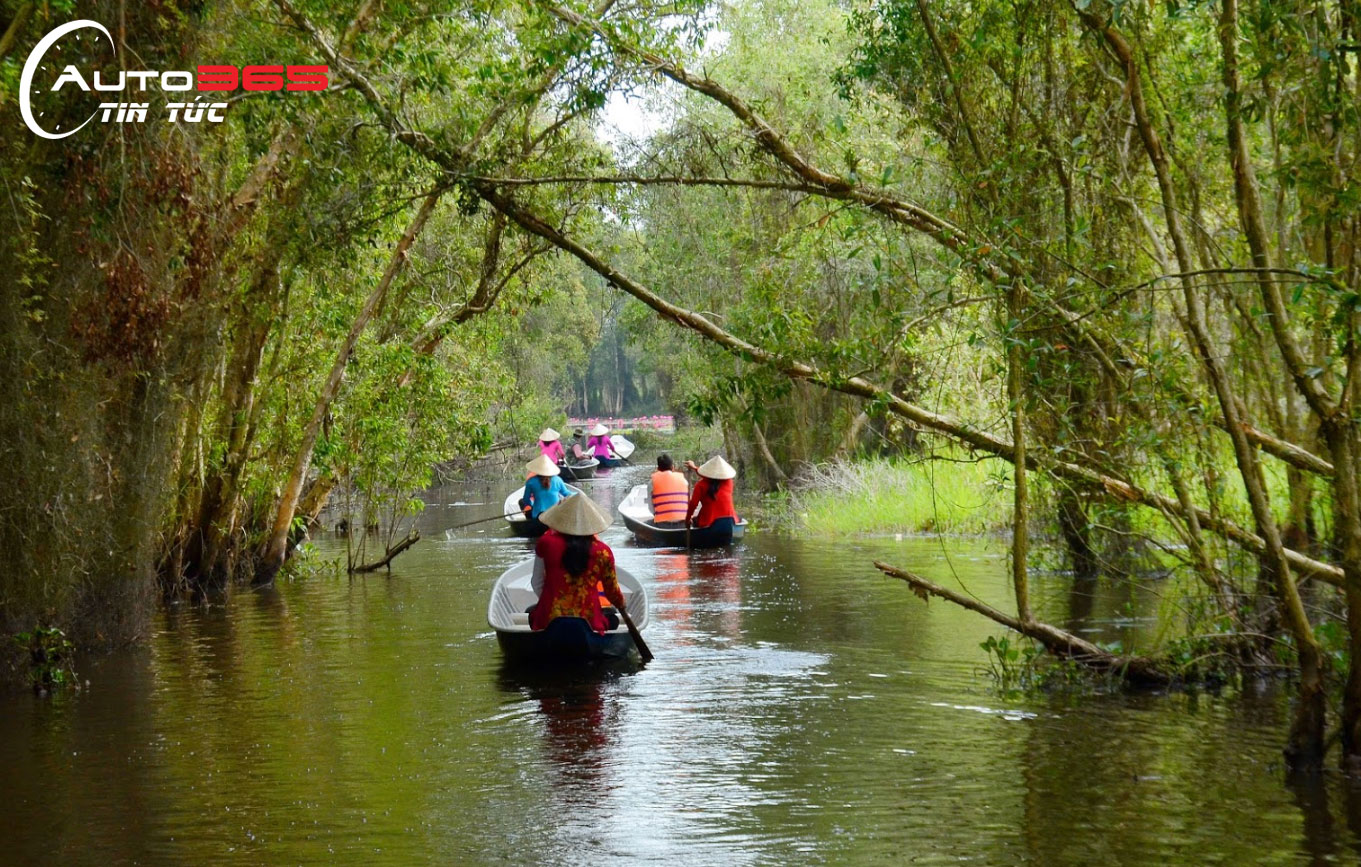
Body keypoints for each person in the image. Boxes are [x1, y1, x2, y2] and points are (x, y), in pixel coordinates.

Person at [529, 494, 625, 634]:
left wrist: (546, 601)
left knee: (532, 615)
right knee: (612, 619)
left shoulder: (546, 543)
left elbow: (536, 582)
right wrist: (621, 604)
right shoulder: (603, 551)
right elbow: (612, 592)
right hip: (590, 620)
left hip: (550, 618)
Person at [685, 456, 739, 533]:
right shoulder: (729, 482)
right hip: (729, 521)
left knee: (694, 520)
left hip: (709, 523)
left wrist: (687, 520)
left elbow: (693, 504)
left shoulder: (700, 485)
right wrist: (694, 468)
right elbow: (713, 480)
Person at [519, 454, 575, 523]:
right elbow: (567, 494)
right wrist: (578, 494)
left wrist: (530, 506)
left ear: (537, 469)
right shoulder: (558, 479)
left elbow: (526, 500)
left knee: (521, 502)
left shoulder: (531, 482)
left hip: (538, 516)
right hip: (555, 514)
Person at [650, 454, 689, 528]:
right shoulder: (684, 480)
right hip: (683, 523)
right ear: (672, 467)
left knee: (645, 524)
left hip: (663, 524)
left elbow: (651, 508)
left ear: (658, 469)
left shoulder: (652, 482)